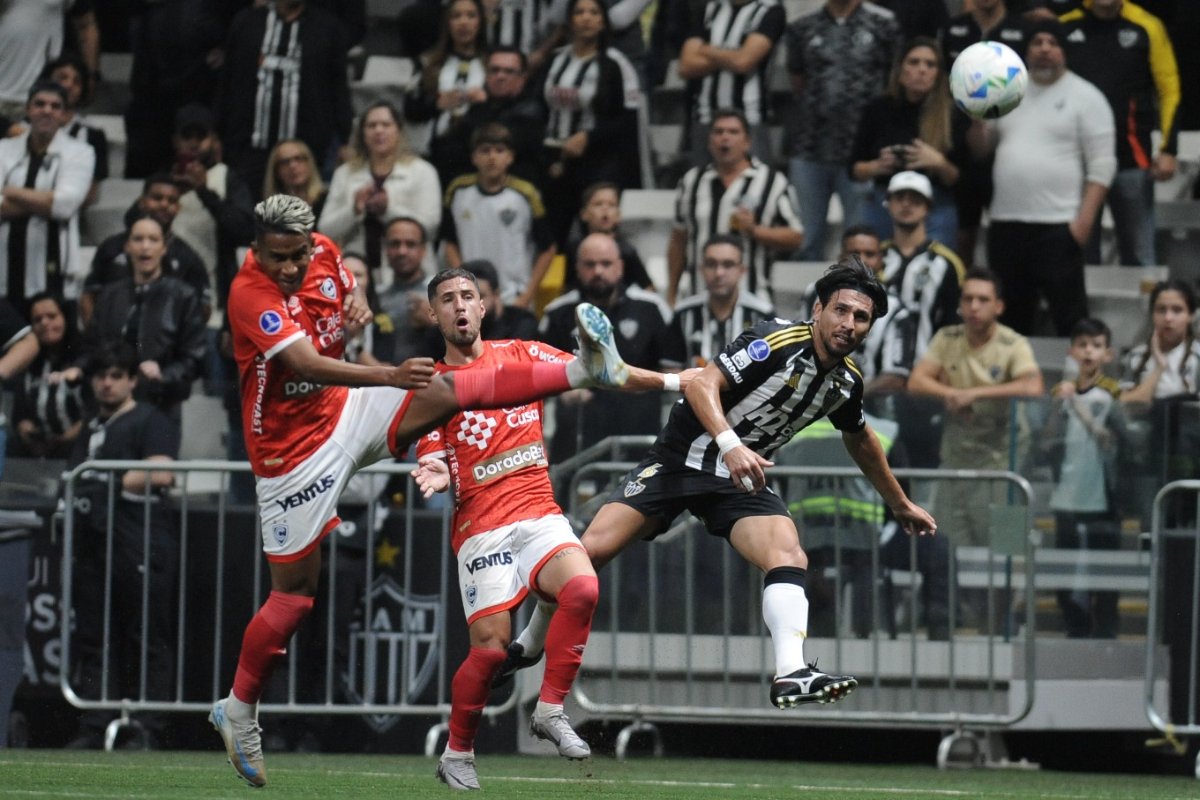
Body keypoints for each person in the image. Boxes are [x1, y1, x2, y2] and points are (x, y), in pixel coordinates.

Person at [209, 194, 631, 788]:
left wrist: (353, 299)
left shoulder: (325, 252)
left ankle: (579, 370)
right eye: (278, 257)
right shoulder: (249, 292)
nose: (290, 268)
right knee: (295, 598)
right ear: (257, 248)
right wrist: (387, 375)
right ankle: (238, 707)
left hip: (343, 412)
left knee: (445, 389)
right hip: (290, 456)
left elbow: (343, 281)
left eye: (298, 255)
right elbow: (304, 362)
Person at [501, 257, 937, 704]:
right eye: (841, 310)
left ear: (869, 328)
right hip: (680, 461)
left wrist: (899, 502)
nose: (848, 323)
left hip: (738, 478)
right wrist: (730, 444)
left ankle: (791, 672)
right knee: (588, 554)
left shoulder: (845, 383)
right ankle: (529, 644)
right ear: (818, 310)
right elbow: (701, 384)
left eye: (861, 317)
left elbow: (860, 438)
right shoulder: (774, 340)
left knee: (788, 554)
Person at [411, 266, 687, 790]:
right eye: (447, 299)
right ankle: (458, 752)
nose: (460, 305)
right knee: (491, 650)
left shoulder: (526, 354)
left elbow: (607, 371)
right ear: (434, 314)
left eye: (468, 295)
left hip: (538, 511)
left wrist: (676, 380)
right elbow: (431, 452)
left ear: (485, 305)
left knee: (582, 586)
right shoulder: (433, 386)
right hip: (481, 527)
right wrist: (436, 468)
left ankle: (550, 709)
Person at [906, 268, 1044, 628]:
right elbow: (917, 381)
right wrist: (951, 394)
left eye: (983, 299)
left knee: (1004, 551)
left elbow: (1032, 387)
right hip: (957, 459)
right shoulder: (948, 337)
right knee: (951, 547)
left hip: (1003, 462)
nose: (974, 306)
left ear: (998, 306)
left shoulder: (1012, 343)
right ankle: (967, 626)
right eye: (968, 299)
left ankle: (1001, 628)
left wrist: (975, 393)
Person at [65, 342, 180, 750]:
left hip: (140, 540)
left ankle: (147, 727)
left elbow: (161, 472)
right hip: (94, 543)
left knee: (147, 635)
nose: (107, 384)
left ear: (132, 380)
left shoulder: (151, 419)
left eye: (116, 376)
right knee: (96, 635)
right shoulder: (91, 425)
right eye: (101, 376)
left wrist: (105, 481)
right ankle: (94, 723)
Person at [969, 18, 1115, 336]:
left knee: (1071, 318)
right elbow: (980, 150)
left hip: (1059, 227)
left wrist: (1082, 225)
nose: (1045, 49)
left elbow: (1103, 165)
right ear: (1026, 51)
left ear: (1064, 50)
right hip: (1006, 224)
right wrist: (978, 120)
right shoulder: (1006, 93)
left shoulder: (1087, 96)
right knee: (1009, 322)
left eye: (1053, 43)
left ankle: (1078, 384)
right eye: (1037, 43)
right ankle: (1010, 386)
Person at [1059, 0, 1181, 266]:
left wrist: (1169, 148)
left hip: (1131, 160)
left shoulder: (1147, 26)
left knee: (1140, 257)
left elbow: (1169, 89)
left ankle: (1147, 308)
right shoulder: (1064, 26)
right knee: (1076, 256)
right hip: (1077, 163)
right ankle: (1079, 309)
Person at [541, 233, 672, 461]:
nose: (598, 271)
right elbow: (540, 378)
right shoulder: (557, 313)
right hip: (578, 436)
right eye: (590, 265)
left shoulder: (651, 308)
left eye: (605, 263)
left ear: (620, 267)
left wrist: (643, 384)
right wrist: (563, 391)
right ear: (578, 268)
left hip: (641, 432)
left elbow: (674, 371)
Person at [785, 0, 900, 262]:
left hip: (860, 153)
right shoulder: (802, 27)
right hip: (809, 146)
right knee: (807, 239)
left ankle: (855, 299)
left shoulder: (883, 23)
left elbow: (893, 82)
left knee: (859, 242)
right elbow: (798, 82)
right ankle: (812, 301)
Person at [217, 0, 352, 200]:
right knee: (248, 215)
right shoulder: (247, 22)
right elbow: (227, 80)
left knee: (298, 219)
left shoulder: (327, 27)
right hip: (250, 145)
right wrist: (217, 131)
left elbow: (338, 87)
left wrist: (344, 138)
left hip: (305, 148)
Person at [668, 108, 803, 306]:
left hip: (752, 297)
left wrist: (754, 230)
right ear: (709, 141)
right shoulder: (691, 182)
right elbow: (678, 240)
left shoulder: (772, 182)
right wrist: (672, 292)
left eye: (733, 132)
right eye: (718, 132)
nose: (725, 138)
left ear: (747, 142)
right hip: (698, 295)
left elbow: (796, 236)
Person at [1043, 317, 1125, 638]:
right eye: (1082, 345)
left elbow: (1110, 439)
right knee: (1066, 563)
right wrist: (1059, 404)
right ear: (1071, 351)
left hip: (1102, 495)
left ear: (1108, 353)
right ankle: (1073, 625)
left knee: (1104, 568)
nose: (1089, 351)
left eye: (1096, 345)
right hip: (1067, 493)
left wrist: (1078, 405)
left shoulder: (1112, 392)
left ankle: (1106, 629)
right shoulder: (1059, 392)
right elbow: (1047, 438)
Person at [541, 0, 646, 247]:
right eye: (579, 12)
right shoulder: (555, 60)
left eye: (593, 12)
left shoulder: (616, 63)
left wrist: (589, 137)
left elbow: (627, 121)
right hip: (555, 159)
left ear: (603, 21)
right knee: (553, 235)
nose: (586, 18)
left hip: (598, 163)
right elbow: (539, 107)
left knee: (596, 235)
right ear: (570, 20)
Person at [83, 215, 209, 420]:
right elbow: (92, 345)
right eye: (138, 239)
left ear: (164, 248)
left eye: (153, 239)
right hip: (111, 400)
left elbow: (194, 355)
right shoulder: (109, 295)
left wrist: (163, 374)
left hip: (161, 400)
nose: (145, 246)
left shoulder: (183, 296)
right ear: (127, 247)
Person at [848, 37, 965, 248]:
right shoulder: (878, 108)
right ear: (900, 69)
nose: (922, 70)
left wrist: (938, 162)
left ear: (939, 74)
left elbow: (962, 179)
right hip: (886, 199)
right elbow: (853, 169)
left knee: (935, 267)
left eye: (930, 64)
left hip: (934, 202)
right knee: (872, 269)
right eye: (914, 62)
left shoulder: (952, 113)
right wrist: (877, 166)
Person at [939, 0, 1027, 266]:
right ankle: (960, 296)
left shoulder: (1021, 29)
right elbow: (941, 83)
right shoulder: (953, 28)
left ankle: (1003, 297)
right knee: (963, 234)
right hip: (959, 147)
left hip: (1010, 146)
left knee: (1009, 236)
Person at [440, 124, 556, 309]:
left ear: (510, 157)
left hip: (515, 299)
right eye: (485, 151)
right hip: (471, 301)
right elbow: (450, 243)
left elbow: (548, 249)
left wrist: (527, 296)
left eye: (499, 151)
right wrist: (462, 284)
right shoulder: (458, 191)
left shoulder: (526, 195)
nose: (492, 157)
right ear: (474, 157)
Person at [318, 101, 442, 273]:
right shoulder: (345, 173)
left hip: (409, 272)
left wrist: (388, 209)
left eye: (386, 124)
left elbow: (431, 227)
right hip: (356, 269)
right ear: (362, 133)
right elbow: (325, 229)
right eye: (371, 125)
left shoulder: (422, 171)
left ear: (398, 130)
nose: (378, 130)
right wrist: (354, 210)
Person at [0, 80, 94, 302]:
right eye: (39, 104)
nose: (47, 111)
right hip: (4, 272)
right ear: (28, 110)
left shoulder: (80, 152)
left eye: (55, 106)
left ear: (63, 114)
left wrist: (10, 191)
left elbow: (64, 205)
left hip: (54, 274)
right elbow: (54, 202)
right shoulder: (3, 149)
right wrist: (44, 200)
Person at [81, 173, 211, 326]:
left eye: (172, 200)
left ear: (178, 208)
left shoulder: (188, 257)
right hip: (113, 341)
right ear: (141, 202)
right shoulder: (111, 247)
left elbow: (203, 308)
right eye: (157, 198)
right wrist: (96, 339)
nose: (164, 204)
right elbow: (89, 296)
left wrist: (181, 340)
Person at [678, 0, 786, 164]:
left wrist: (706, 49)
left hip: (749, 118)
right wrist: (734, 54)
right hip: (706, 117)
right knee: (703, 184)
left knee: (754, 183)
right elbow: (686, 66)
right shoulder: (709, 8)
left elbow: (744, 62)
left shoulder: (769, 10)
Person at [430, 46, 549, 188]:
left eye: (509, 71)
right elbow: (451, 149)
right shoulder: (480, 106)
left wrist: (480, 107)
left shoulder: (531, 110)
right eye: (495, 70)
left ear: (522, 78)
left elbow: (496, 140)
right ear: (486, 75)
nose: (500, 77)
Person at [877, 171, 963, 359]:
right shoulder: (873, 257)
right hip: (871, 370)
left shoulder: (947, 263)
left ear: (928, 207)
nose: (906, 204)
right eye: (899, 198)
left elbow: (954, 324)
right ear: (888, 204)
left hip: (926, 370)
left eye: (915, 199)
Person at [405, 0, 488, 185]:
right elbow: (409, 108)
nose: (463, 23)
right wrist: (436, 104)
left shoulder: (492, 64)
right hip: (434, 153)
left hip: (478, 156)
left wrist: (483, 103)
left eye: (471, 16)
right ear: (447, 23)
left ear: (481, 22)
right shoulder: (428, 62)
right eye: (456, 16)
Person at [662, 233, 774, 370]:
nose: (719, 273)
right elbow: (671, 369)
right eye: (711, 264)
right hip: (690, 389)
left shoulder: (763, 316)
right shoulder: (684, 314)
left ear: (742, 270)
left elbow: (773, 372)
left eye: (728, 265)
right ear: (701, 269)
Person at [11, 292, 86, 459]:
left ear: (66, 317)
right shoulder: (28, 364)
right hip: (38, 450)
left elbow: (94, 411)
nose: (45, 323)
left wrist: (64, 439)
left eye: (52, 316)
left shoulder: (85, 358)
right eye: (37, 319)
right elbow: (19, 415)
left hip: (78, 445)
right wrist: (27, 430)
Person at [423, 259, 540, 361]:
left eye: (469, 297)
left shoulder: (522, 324)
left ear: (497, 295)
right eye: (450, 299)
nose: (462, 305)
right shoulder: (441, 333)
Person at [563, 182, 655, 293]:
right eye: (598, 204)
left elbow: (649, 289)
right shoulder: (575, 248)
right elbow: (568, 287)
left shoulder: (627, 251)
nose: (605, 209)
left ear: (618, 215)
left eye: (611, 205)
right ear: (584, 214)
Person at [39, 52, 109, 195]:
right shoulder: (19, 129)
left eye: (77, 82)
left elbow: (89, 194)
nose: (69, 85)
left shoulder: (93, 136)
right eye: (62, 78)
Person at [373, 217, 436, 365]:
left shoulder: (441, 293)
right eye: (395, 244)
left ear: (424, 250)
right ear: (385, 249)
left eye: (410, 244)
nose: (402, 251)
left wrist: (436, 321)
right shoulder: (375, 297)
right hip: (383, 381)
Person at [262, 139, 328, 222]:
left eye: (298, 159)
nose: (292, 166)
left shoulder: (328, 200)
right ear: (276, 171)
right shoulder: (271, 212)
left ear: (309, 163)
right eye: (285, 162)